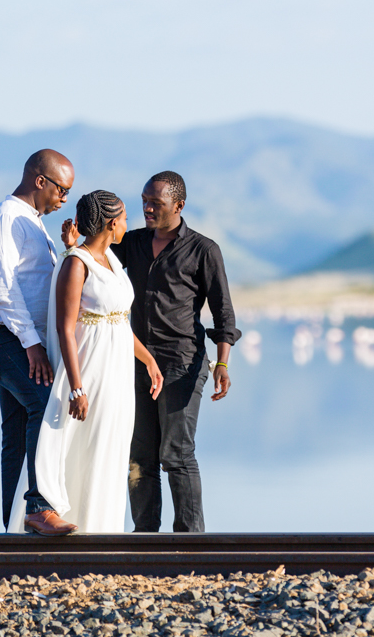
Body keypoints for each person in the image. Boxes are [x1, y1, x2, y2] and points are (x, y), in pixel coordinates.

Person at [65, 170, 240, 532]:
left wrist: (223, 361)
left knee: (176, 454)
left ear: (179, 205)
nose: (146, 208)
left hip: (183, 363)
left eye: (155, 203)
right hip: (133, 363)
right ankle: (146, 538)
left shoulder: (204, 250)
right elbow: (96, 263)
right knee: (139, 458)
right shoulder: (133, 242)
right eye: (144, 201)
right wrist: (74, 244)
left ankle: (190, 541)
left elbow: (223, 313)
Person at [6, 190, 164, 534]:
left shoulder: (112, 260)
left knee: (110, 448)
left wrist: (148, 359)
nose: (127, 225)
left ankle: (102, 532)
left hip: (117, 373)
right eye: (123, 219)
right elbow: (65, 328)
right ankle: (64, 530)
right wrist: (77, 388)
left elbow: (118, 321)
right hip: (89, 371)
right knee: (83, 445)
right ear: (111, 223)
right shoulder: (77, 262)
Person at [0, 149, 78, 536]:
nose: (64, 199)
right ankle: (39, 507)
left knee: (15, 429)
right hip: (1, 336)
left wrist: (66, 248)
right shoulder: (5, 219)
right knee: (43, 405)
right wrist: (33, 346)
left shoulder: (32, 222)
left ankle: (12, 525)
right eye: (62, 190)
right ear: (40, 181)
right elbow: (3, 291)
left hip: (18, 337)